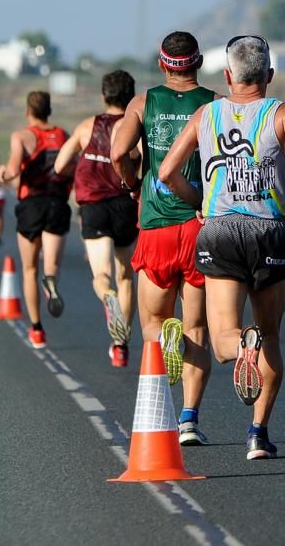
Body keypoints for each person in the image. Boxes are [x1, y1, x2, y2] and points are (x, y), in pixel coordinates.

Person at [159, 34, 285, 460]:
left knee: (225, 337)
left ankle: (244, 342)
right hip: (270, 233)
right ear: (270, 75)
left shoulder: (206, 115)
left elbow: (168, 171)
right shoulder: (281, 112)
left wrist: (200, 204)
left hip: (220, 231)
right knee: (273, 335)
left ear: (227, 76)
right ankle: (257, 435)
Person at [113, 32, 216, 446]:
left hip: (155, 225)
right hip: (198, 226)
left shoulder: (142, 103)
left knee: (153, 324)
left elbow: (120, 152)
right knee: (198, 327)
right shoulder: (213, 104)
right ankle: (189, 420)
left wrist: (133, 185)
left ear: (162, 66)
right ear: (200, 63)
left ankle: (160, 417)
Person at [54, 70, 140, 368]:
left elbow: (60, 163)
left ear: (104, 96)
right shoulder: (135, 127)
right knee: (126, 274)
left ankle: (108, 298)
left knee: (102, 275)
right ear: (130, 97)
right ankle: (120, 346)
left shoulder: (87, 126)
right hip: (124, 204)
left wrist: (79, 173)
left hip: (93, 205)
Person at [0, 92, 74, 350]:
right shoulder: (63, 135)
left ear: (27, 111)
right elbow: (72, 166)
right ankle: (51, 282)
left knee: (30, 269)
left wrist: (1, 174)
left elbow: (14, 169)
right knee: (50, 267)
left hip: (31, 205)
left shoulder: (21, 136)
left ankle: (37, 329)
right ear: (49, 110)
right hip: (57, 203)